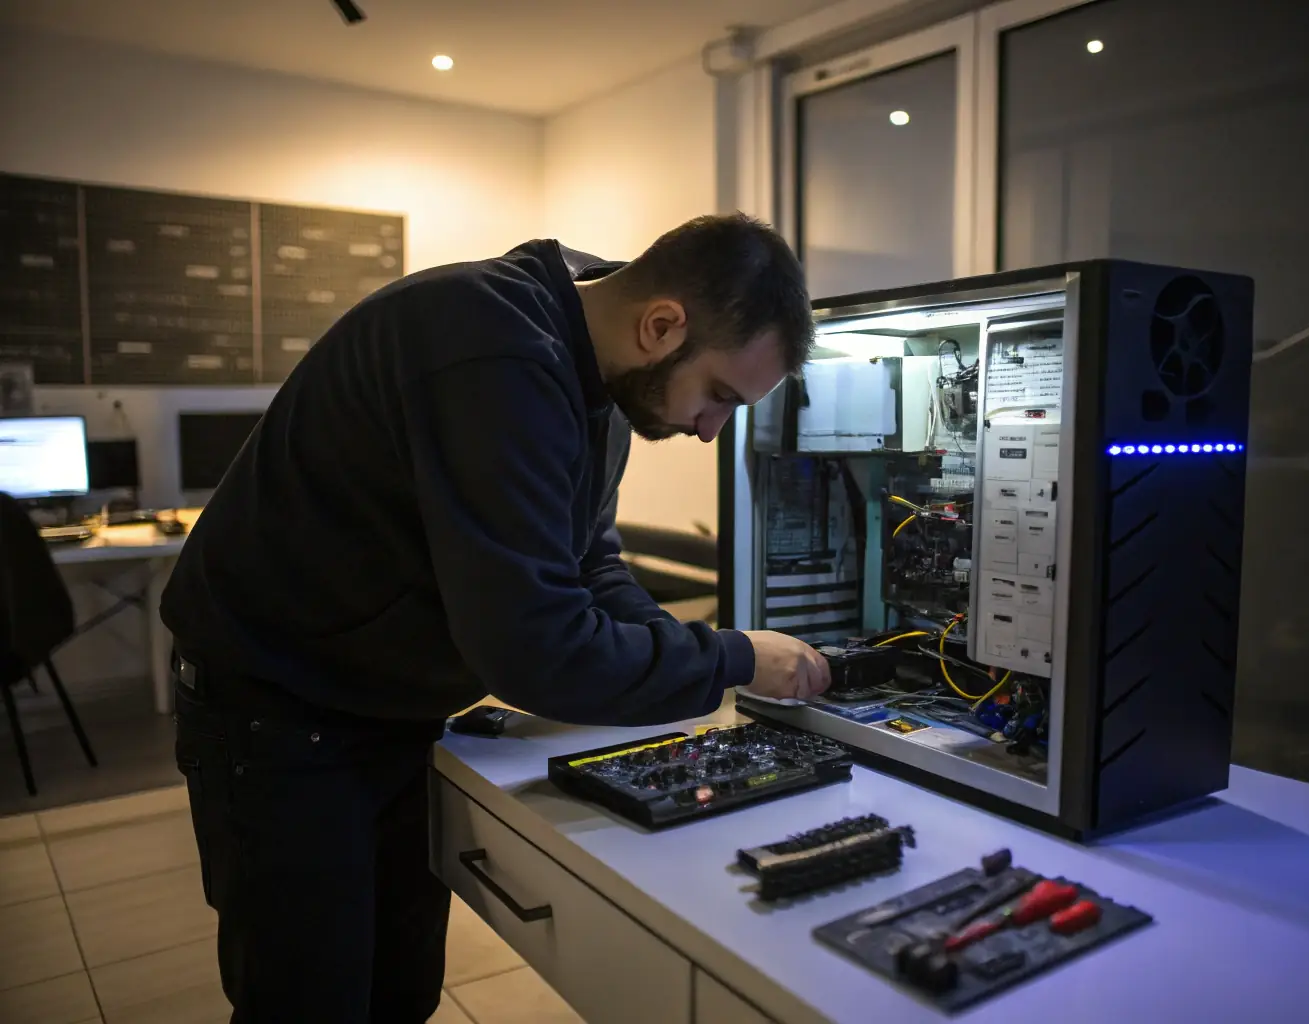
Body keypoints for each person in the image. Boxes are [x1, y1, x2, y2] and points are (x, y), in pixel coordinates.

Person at [162, 213, 832, 1023]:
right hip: (278, 709)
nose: (708, 430)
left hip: (390, 704)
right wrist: (729, 658)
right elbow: (535, 652)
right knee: (309, 1003)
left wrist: (676, 655)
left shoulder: (597, 370)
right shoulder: (491, 349)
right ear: (661, 325)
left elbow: (586, 565)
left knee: (398, 992)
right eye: (719, 396)